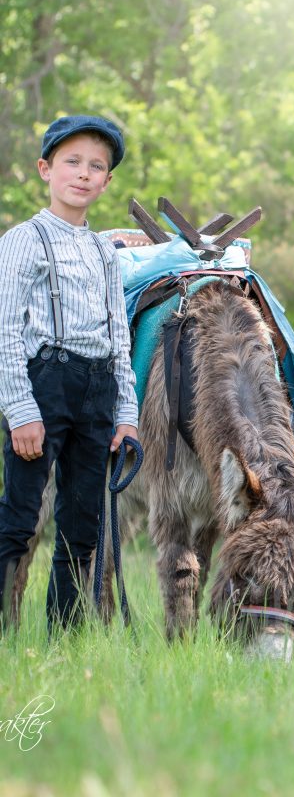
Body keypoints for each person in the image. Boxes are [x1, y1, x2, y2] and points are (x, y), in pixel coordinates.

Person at [0, 115, 138, 631]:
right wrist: (20, 411)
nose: (83, 174)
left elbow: (119, 340)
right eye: (72, 162)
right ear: (45, 169)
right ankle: (5, 637)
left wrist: (126, 414)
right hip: (45, 384)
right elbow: (5, 331)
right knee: (19, 517)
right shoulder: (22, 240)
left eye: (96, 166)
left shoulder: (106, 251)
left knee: (83, 527)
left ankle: (65, 639)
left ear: (106, 181)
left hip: (99, 388)